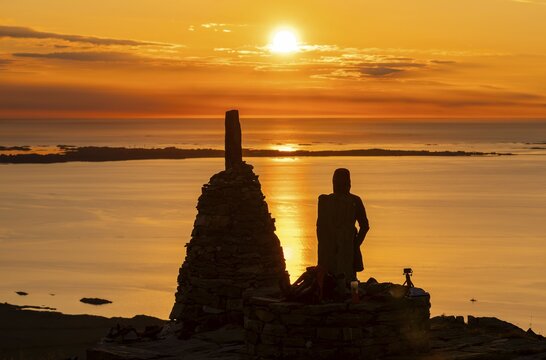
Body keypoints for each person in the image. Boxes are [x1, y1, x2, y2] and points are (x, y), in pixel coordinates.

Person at [316, 168, 369, 283]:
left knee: (347, 279)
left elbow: (365, 226)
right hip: (329, 250)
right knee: (331, 279)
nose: (338, 185)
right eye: (336, 182)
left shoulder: (354, 201)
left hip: (346, 248)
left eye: (341, 182)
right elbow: (320, 228)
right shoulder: (325, 201)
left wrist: (354, 244)